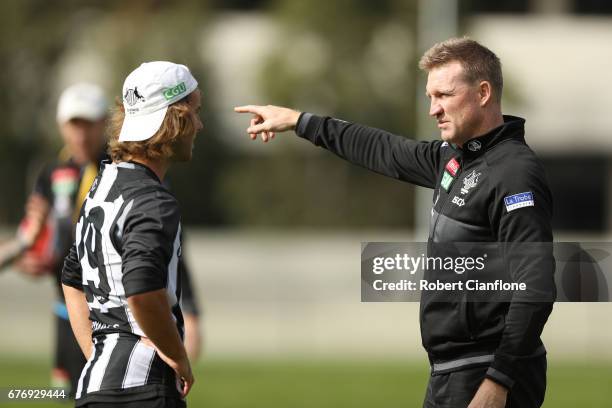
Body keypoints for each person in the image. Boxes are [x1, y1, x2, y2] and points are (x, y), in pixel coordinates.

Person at [235, 37, 555, 408]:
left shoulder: (514, 173)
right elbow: (383, 149)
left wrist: (499, 380)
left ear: (483, 93)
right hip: (453, 371)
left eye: (444, 95)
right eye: (430, 97)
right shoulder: (455, 159)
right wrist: (299, 121)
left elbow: (536, 287)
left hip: (486, 373)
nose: (433, 109)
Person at [0, 82, 203, 398]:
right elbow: (74, 268)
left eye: (89, 123)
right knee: (68, 393)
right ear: (61, 125)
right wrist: (29, 250)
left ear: (104, 123)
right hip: (73, 312)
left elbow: (163, 257)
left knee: (96, 389)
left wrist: (187, 309)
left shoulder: (124, 171)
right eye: (73, 124)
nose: (81, 134)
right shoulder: (53, 173)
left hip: (121, 326)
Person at [61, 61, 202, 407]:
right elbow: (142, 290)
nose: (200, 124)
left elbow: (71, 279)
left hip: (93, 388)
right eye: (195, 112)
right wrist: (178, 356)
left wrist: (99, 355)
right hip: (142, 391)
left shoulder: (103, 184)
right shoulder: (154, 200)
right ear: (177, 120)